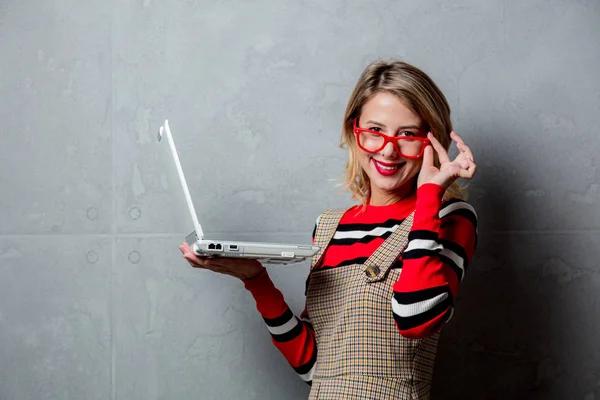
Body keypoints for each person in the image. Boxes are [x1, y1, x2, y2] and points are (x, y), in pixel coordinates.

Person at [179, 60, 478, 399]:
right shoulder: (329, 226)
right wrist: (256, 279)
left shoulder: (449, 216)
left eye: (408, 134)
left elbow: (416, 319)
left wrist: (428, 197)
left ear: (431, 141)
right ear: (355, 131)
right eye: (375, 131)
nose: (389, 149)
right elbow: (316, 368)